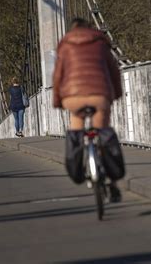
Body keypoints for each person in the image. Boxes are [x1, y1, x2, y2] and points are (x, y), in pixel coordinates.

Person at [53, 18, 124, 202]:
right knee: (102, 131)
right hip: (99, 94)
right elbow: (114, 71)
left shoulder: (65, 45)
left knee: (76, 128)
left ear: (72, 30)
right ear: (89, 28)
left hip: (73, 97)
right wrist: (115, 94)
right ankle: (112, 182)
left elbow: (58, 76)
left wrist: (58, 100)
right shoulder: (100, 42)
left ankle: (77, 166)